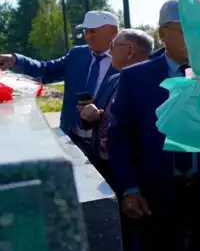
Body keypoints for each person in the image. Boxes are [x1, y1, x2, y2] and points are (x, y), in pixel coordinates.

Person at [107, 0, 200, 251]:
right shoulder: (136, 79)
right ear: (164, 34)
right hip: (157, 198)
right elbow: (119, 138)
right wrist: (129, 189)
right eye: (186, 30)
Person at [77, 28, 154, 251]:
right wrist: (93, 116)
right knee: (123, 238)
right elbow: (108, 116)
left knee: (142, 240)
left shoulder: (151, 81)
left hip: (137, 174)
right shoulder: (112, 79)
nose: (110, 50)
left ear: (131, 51)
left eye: (115, 45)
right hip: (107, 169)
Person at [0, 10, 119, 153]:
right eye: (86, 31)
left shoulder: (128, 60)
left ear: (113, 31)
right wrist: (15, 60)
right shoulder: (77, 55)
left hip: (107, 147)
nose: (88, 36)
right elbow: (47, 70)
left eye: (93, 31)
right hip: (72, 140)